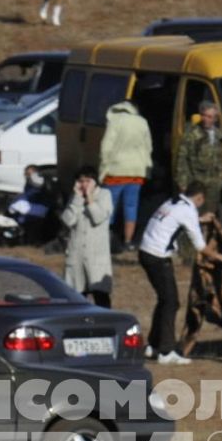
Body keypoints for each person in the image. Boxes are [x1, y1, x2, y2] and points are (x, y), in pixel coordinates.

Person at [140, 186, 208, 365]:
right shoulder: (187, 210)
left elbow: (178, 220)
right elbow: (200, 246)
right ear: (200, 198)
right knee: (171, 302)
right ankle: (166, 351)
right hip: (158, 256)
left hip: (145, 251)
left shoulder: (172, 202)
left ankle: (153, 346)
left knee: (164, 300)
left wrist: (199, 219)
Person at [178, 208, 222, 358]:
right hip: (210, 268)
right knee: (202, 308)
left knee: (206, 308)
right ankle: (184, 347)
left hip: (213, 268)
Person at [99, 98, 152, 254]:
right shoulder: (142, 122)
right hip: (136, 172)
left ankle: (106, 238)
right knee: (131, 206)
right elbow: (148, 147)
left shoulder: (114, 122)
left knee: (109, 206)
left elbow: (105, 147)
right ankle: (128, 241)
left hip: (116, 171)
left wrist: (102, 169)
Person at [60, 168, 114, 306]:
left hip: (96, 254)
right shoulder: (75, 197)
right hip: (76, 253)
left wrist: (89, 198)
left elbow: (99, 217)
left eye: (87, 181)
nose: (84, 184)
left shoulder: (104, 195)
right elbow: (68, 220)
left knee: (100, 295)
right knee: (76, 296)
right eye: (80, 181)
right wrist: (77, 200)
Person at [172, 102, 222, 214]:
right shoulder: (192, 133)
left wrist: (219, 178)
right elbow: (182, 158)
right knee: (195, 214)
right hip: (196, 182)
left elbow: (219, 159)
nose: (206, 119)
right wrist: (182, 182)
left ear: (215, 118)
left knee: (210, 214)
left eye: (209, 117)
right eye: (204, 115)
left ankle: (206, 231)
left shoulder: (218, 134)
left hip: (213, 184)